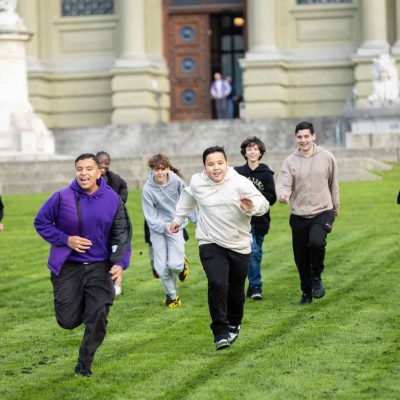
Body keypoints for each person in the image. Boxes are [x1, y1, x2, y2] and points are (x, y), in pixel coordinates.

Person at [34, 153, 132, 378]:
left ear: (99, 172)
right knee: (67, 320)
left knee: (97, 317)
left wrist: (119, 264)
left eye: (89, 169)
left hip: (100, 266)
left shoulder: (113, 199)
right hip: (69, 266)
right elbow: (40, 222)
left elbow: (122, 233)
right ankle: (85, 309)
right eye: (79, 169)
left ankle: (83, 365)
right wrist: (66, 239)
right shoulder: (62, 197)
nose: (84, 173)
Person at [168, 146, 269, 350]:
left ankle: (234, 322)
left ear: (227, 163)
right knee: (217, 283)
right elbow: (188, 196)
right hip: (210, 241)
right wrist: (178, 219)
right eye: (210, 164)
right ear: (204, 167)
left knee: (235, 289)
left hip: (238, 243)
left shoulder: (240, 182)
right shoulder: (198, 181)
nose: (216, 168)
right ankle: (220, 332)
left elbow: (263, 203)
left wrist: (252, 207)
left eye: (219, 163)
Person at [276, 121, 339, 305]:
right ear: (296, 137)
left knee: (316, 242)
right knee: (301, 257)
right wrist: (283, 195)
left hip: (323, 211)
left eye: (306, 136)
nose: (303, 140)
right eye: (299, 137)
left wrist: (335, 209)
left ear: (313, 136)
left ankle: (317, 276)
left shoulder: (327, 157)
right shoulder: (290, 161)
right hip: (299, 215)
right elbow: (284, 182)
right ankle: (306, 292)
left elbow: (334, 184)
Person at [142, 154, 189, 308]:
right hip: (157, 230)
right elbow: (150, 217)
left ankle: (182, 263)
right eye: (156, 169)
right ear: (152, 170)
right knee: (161, 268)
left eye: (163, 169)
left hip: (175, 226)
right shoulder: (147, 189)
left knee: (174, 266)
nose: (160, 172)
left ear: (168, 169)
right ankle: (172, 296)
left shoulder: (176, 182)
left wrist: (184, 220)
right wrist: (164, 227)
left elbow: (188, 200)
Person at [235, 137, 277, 300]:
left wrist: (253, 199)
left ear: (260, 152)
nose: (252, 152)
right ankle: (255, 286)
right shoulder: (238, 173)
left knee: (255, 252)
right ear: (245, 153)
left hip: (260, 220)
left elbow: (271, 197)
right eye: (249, 149)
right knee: (253, 251)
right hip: (242, 220)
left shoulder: (266, 173)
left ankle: (248, 284)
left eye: (255, 149)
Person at [96, 151, 128, 296]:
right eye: (100, 163)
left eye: (106, 163)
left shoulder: (114, 179)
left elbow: (124, 187)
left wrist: (119, 202)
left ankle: (116, 284)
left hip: (114, 221)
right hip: (99, 223)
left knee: (116, 251)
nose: (103, 165)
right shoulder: (91, 179)